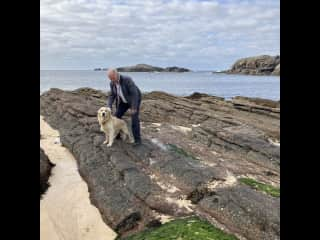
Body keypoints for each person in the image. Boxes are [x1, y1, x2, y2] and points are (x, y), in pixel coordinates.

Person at [107, 68, 142, 146]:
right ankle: (117, 135)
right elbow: (112, 95)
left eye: (113, 78)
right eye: (110, 79)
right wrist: (109, 106)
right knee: (116, 116)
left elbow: (134, 94)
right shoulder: (112, 83)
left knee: (134, 119)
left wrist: (134, 107)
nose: (112, 80)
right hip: (123, 101)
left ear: (116, 74)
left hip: (133, 100)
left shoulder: (127, 80)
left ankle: (138, 140)